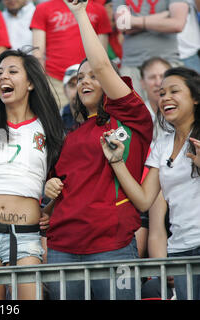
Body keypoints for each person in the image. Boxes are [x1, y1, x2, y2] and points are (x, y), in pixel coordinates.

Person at [43, 0, 153, 300]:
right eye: (80, 79)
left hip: (112, 245)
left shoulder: (132, 117)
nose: (85, 82)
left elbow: (103, 65)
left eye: (92, 76)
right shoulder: (71, 136)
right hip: (62, 248)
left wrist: (79, 13)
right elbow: (64, 186)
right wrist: (51, 191)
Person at [0, 48, 65, 300]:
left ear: (30, 83)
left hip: (27, 233)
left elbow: (64, 183)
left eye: (12, 71)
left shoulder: (49, 128)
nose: (2, 77)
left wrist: (48, 211)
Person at [100, 66, 200, 300]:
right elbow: (144, 200)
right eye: (162, 93)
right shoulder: (162, 143)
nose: (165, 98)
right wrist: (117, 162)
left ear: (195, 98)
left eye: (174, 91)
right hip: (180, 251)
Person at [30, 0, 111, 108]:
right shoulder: (43, 8)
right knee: (58, 121)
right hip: (55, 81)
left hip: (90, 79)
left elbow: (102, 55)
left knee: (93, 119)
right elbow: (37, 54)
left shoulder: (99, 10)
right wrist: (40, 84)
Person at [112, 0, 189, 99]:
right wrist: (162, 17)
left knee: (171, 107)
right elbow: (122, 25)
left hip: (167, 62)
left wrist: (134, 21)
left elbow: (177, 24)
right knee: (134, 111)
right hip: (132, 67)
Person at [60, 63, 81, 133]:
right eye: (72, 85)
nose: (77, 91)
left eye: (81, 84)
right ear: (64, 90)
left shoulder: (103, 117)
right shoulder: (58, 118)